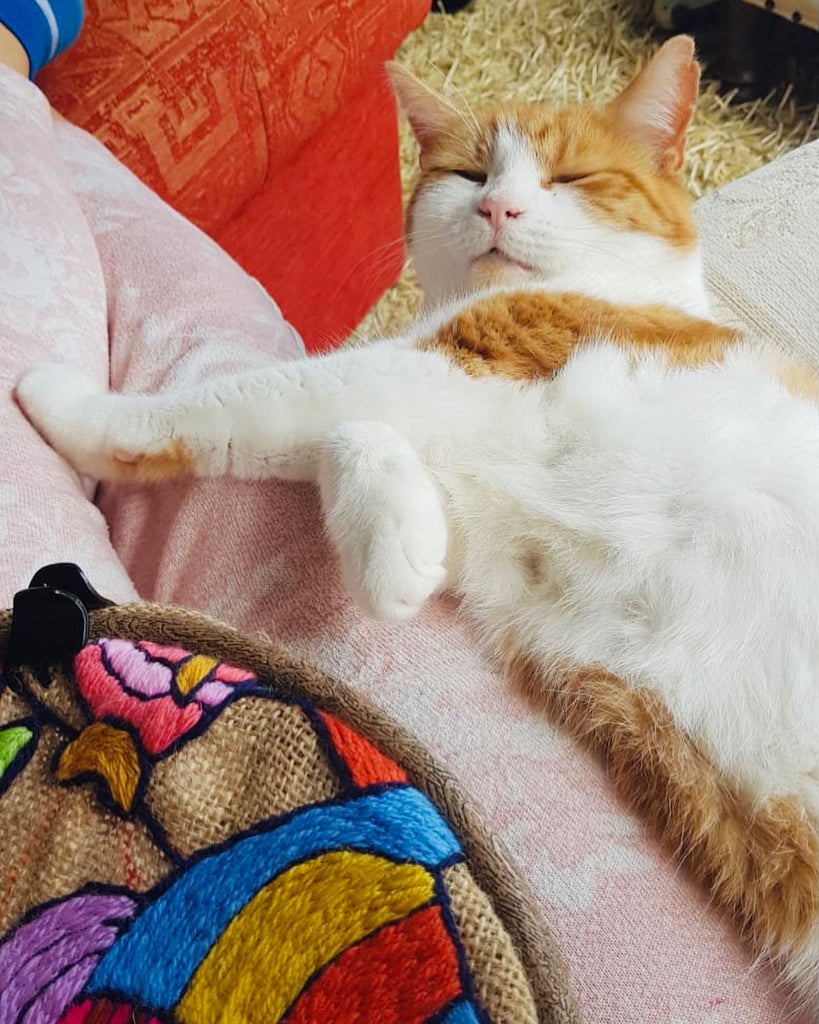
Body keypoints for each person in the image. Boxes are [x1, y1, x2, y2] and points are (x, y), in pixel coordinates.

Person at [0, 9, 801, 1021]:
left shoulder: (616, 329)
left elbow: (389, 395)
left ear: (663, 177)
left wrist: (127, 432)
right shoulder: (555, 417)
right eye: (464, 175)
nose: (505, 205)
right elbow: (427, 495)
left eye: (572, 182)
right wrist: (365, 453)